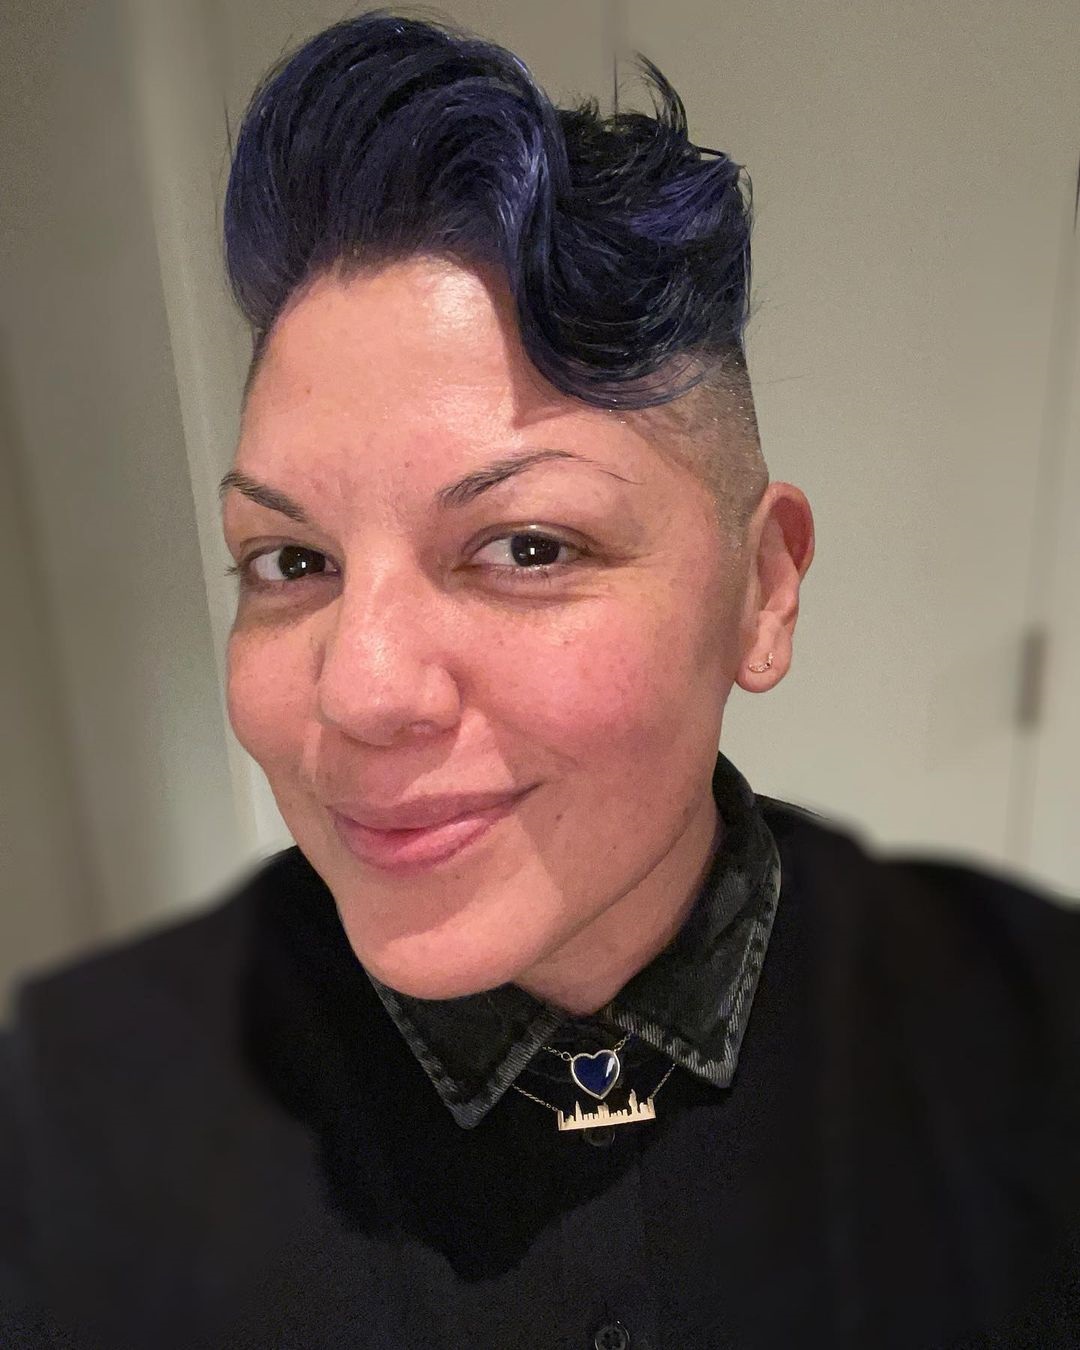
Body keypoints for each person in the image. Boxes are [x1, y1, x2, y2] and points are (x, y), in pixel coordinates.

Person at [1, 11, 1077, 1348]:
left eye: (526, 546)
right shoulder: (83, 1122)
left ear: (764, 589)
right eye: (292, 560)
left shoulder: (1030, 1056)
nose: (361, 691)